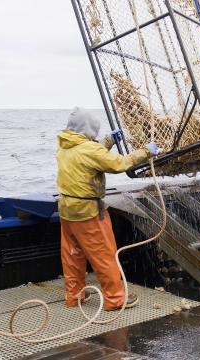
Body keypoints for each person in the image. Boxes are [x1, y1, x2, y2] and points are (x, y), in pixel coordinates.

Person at [56, 107, 158, 311]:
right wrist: (147, 151)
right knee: (103, 256)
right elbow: (119, 164)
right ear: (89, 128)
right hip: (88, 212)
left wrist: (109, 141)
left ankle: (74, 296)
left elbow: (90, 153)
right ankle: (115, 299)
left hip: (67, 211)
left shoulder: (65, 145)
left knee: (72, 255)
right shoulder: (89, 150)